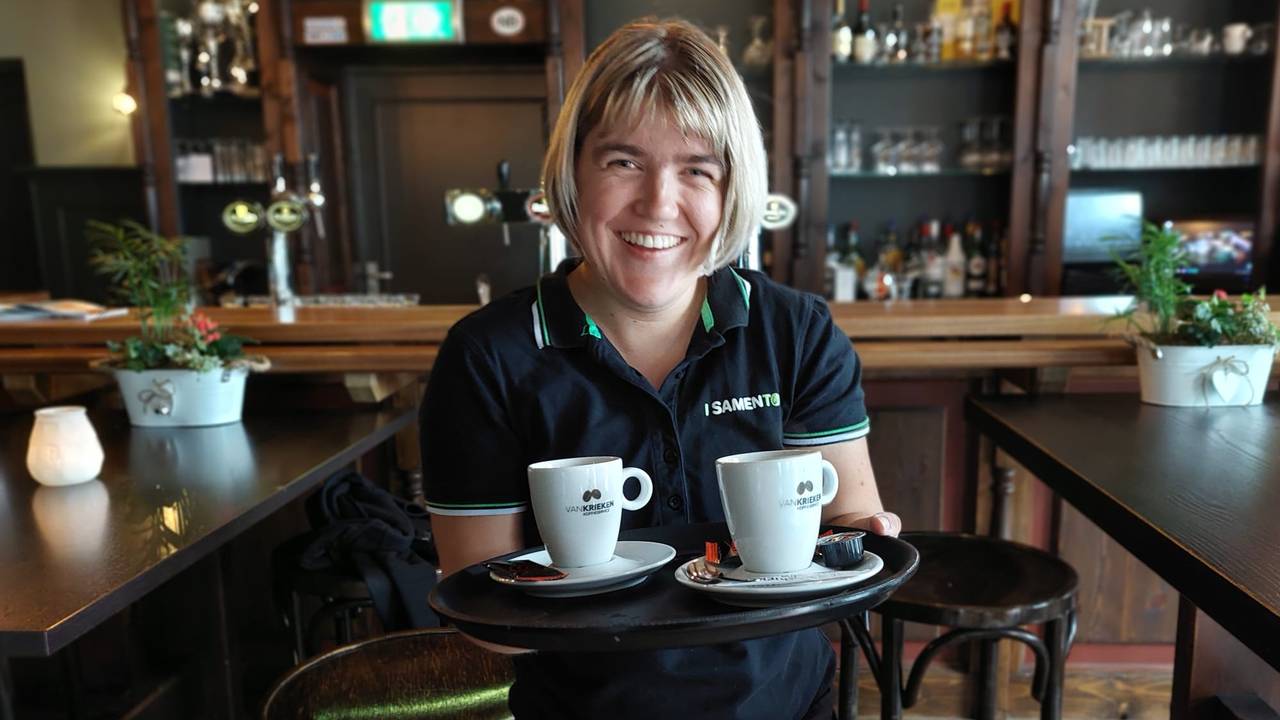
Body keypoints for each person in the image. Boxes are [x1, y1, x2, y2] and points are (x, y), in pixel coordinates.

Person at [420, 18, 901, 720]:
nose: (658, 204)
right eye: (623, 162)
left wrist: (864, 539)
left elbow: (847, 522)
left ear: (731, 187)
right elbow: (489, 625)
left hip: (787, 706)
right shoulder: (488, 356)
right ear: (572, 173)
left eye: (697, 170)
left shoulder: (794, 332)